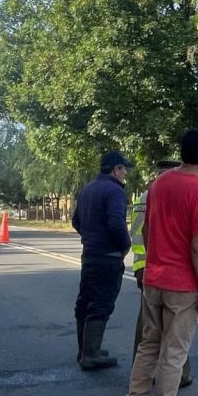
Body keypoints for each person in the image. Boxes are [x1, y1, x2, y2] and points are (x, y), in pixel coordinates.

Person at [118, 129, 198, 396]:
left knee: (149, 345)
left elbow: (147, 231)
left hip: (154, 279)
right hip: (182, 286)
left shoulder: (159, 184)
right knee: (174, 353)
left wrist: (152, 264)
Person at [130, 160, 191, 388]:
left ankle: (140, 372)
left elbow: (136, 232)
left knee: (147, 325)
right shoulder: (164, 196)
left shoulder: (144, 196)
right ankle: (180, 374)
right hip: (163, 267)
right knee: (175, 325)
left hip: (144, 267)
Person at [72, 150, 135, 370]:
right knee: (101, 303)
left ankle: (85, 349)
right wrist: (125, 245)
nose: (125, 173)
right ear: (115, 169)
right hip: (107, 256)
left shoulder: (88, 188)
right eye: (123, 168)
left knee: (85, 301)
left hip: (89, 254)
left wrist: (90, 238)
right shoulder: (114, 191)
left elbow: (76, 221)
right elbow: (116, 223)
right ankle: (91, 354)